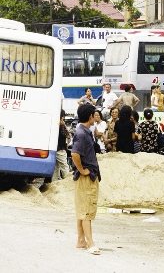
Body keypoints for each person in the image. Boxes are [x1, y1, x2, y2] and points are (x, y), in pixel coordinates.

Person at [71, 104, 101, 255]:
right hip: (86, 177)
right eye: (94, 115)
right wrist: (82, 170)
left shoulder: (83, 131)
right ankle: (90, 243)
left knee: (82, 209)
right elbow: (75, 153)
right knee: (87, 211)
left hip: (86, 176)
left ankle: (81, 240)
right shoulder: (82, 133)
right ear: (90, 116)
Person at [53, 109, 70, 181]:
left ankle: (54, 181)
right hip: (60, 149)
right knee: (64, 165)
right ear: (62, 116)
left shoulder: (54, 123)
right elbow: (67, 135)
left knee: (56, 167)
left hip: (54, 149)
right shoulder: (62, 125)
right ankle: (68, 180)